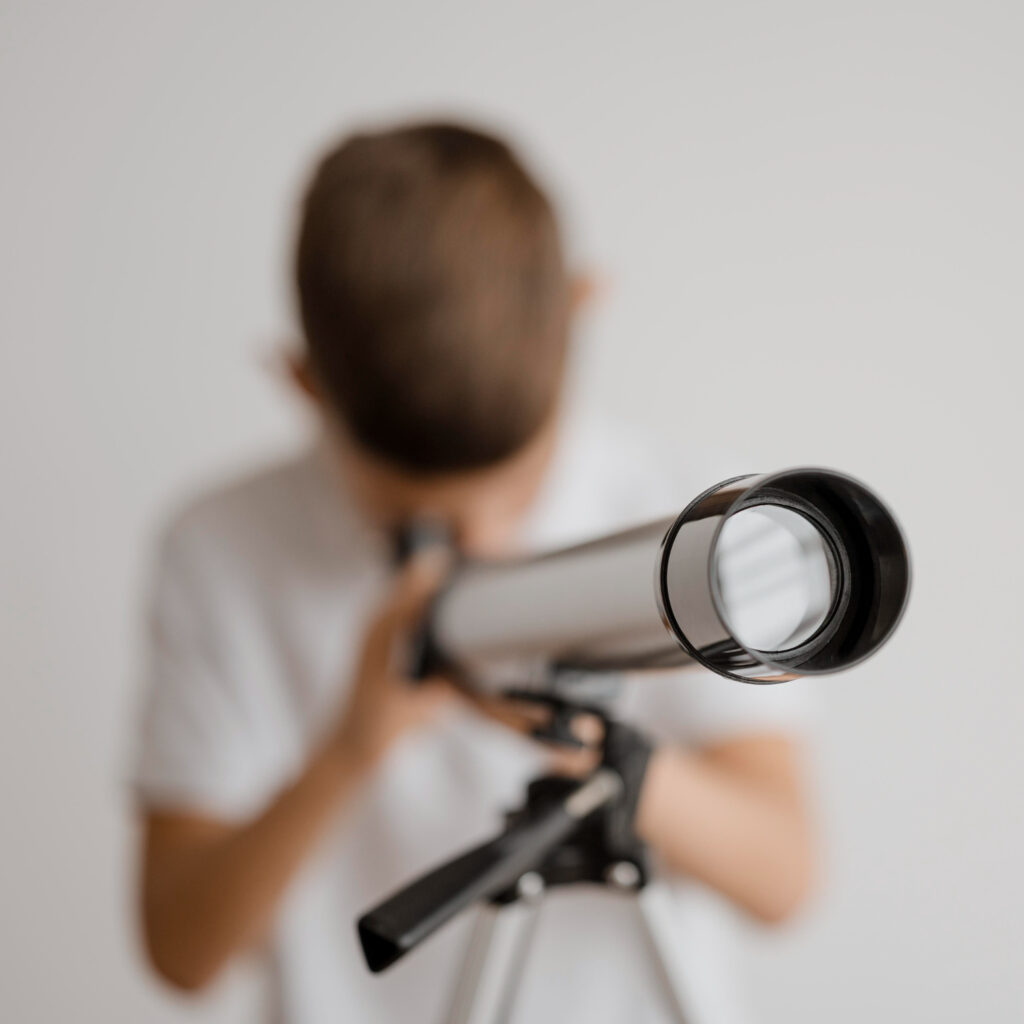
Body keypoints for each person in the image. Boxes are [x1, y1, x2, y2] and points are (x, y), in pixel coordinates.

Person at [132, 121, 815, 1024]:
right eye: (418, 516)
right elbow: (180, 951)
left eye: (515, 487)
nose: (479, 541)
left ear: (581, 310)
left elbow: (785, 876)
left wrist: (591, 748)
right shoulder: (222, 546)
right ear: (303, 383)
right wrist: (348, 750)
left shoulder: (690, 522)